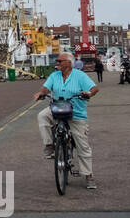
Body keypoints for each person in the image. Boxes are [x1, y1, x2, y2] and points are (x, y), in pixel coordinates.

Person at [34, 52, 99, 190]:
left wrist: (88, 93)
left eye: (59, 61)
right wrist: (42, 93)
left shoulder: (80, 76)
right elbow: (46, 87)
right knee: (42, 116)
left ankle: (88, 175)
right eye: (57, 61)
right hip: (57, 108)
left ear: (69, 63)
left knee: (83, 145)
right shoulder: (54, 75)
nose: (57, 63)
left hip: (76, 112)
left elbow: (94, 88)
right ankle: (49, 145)